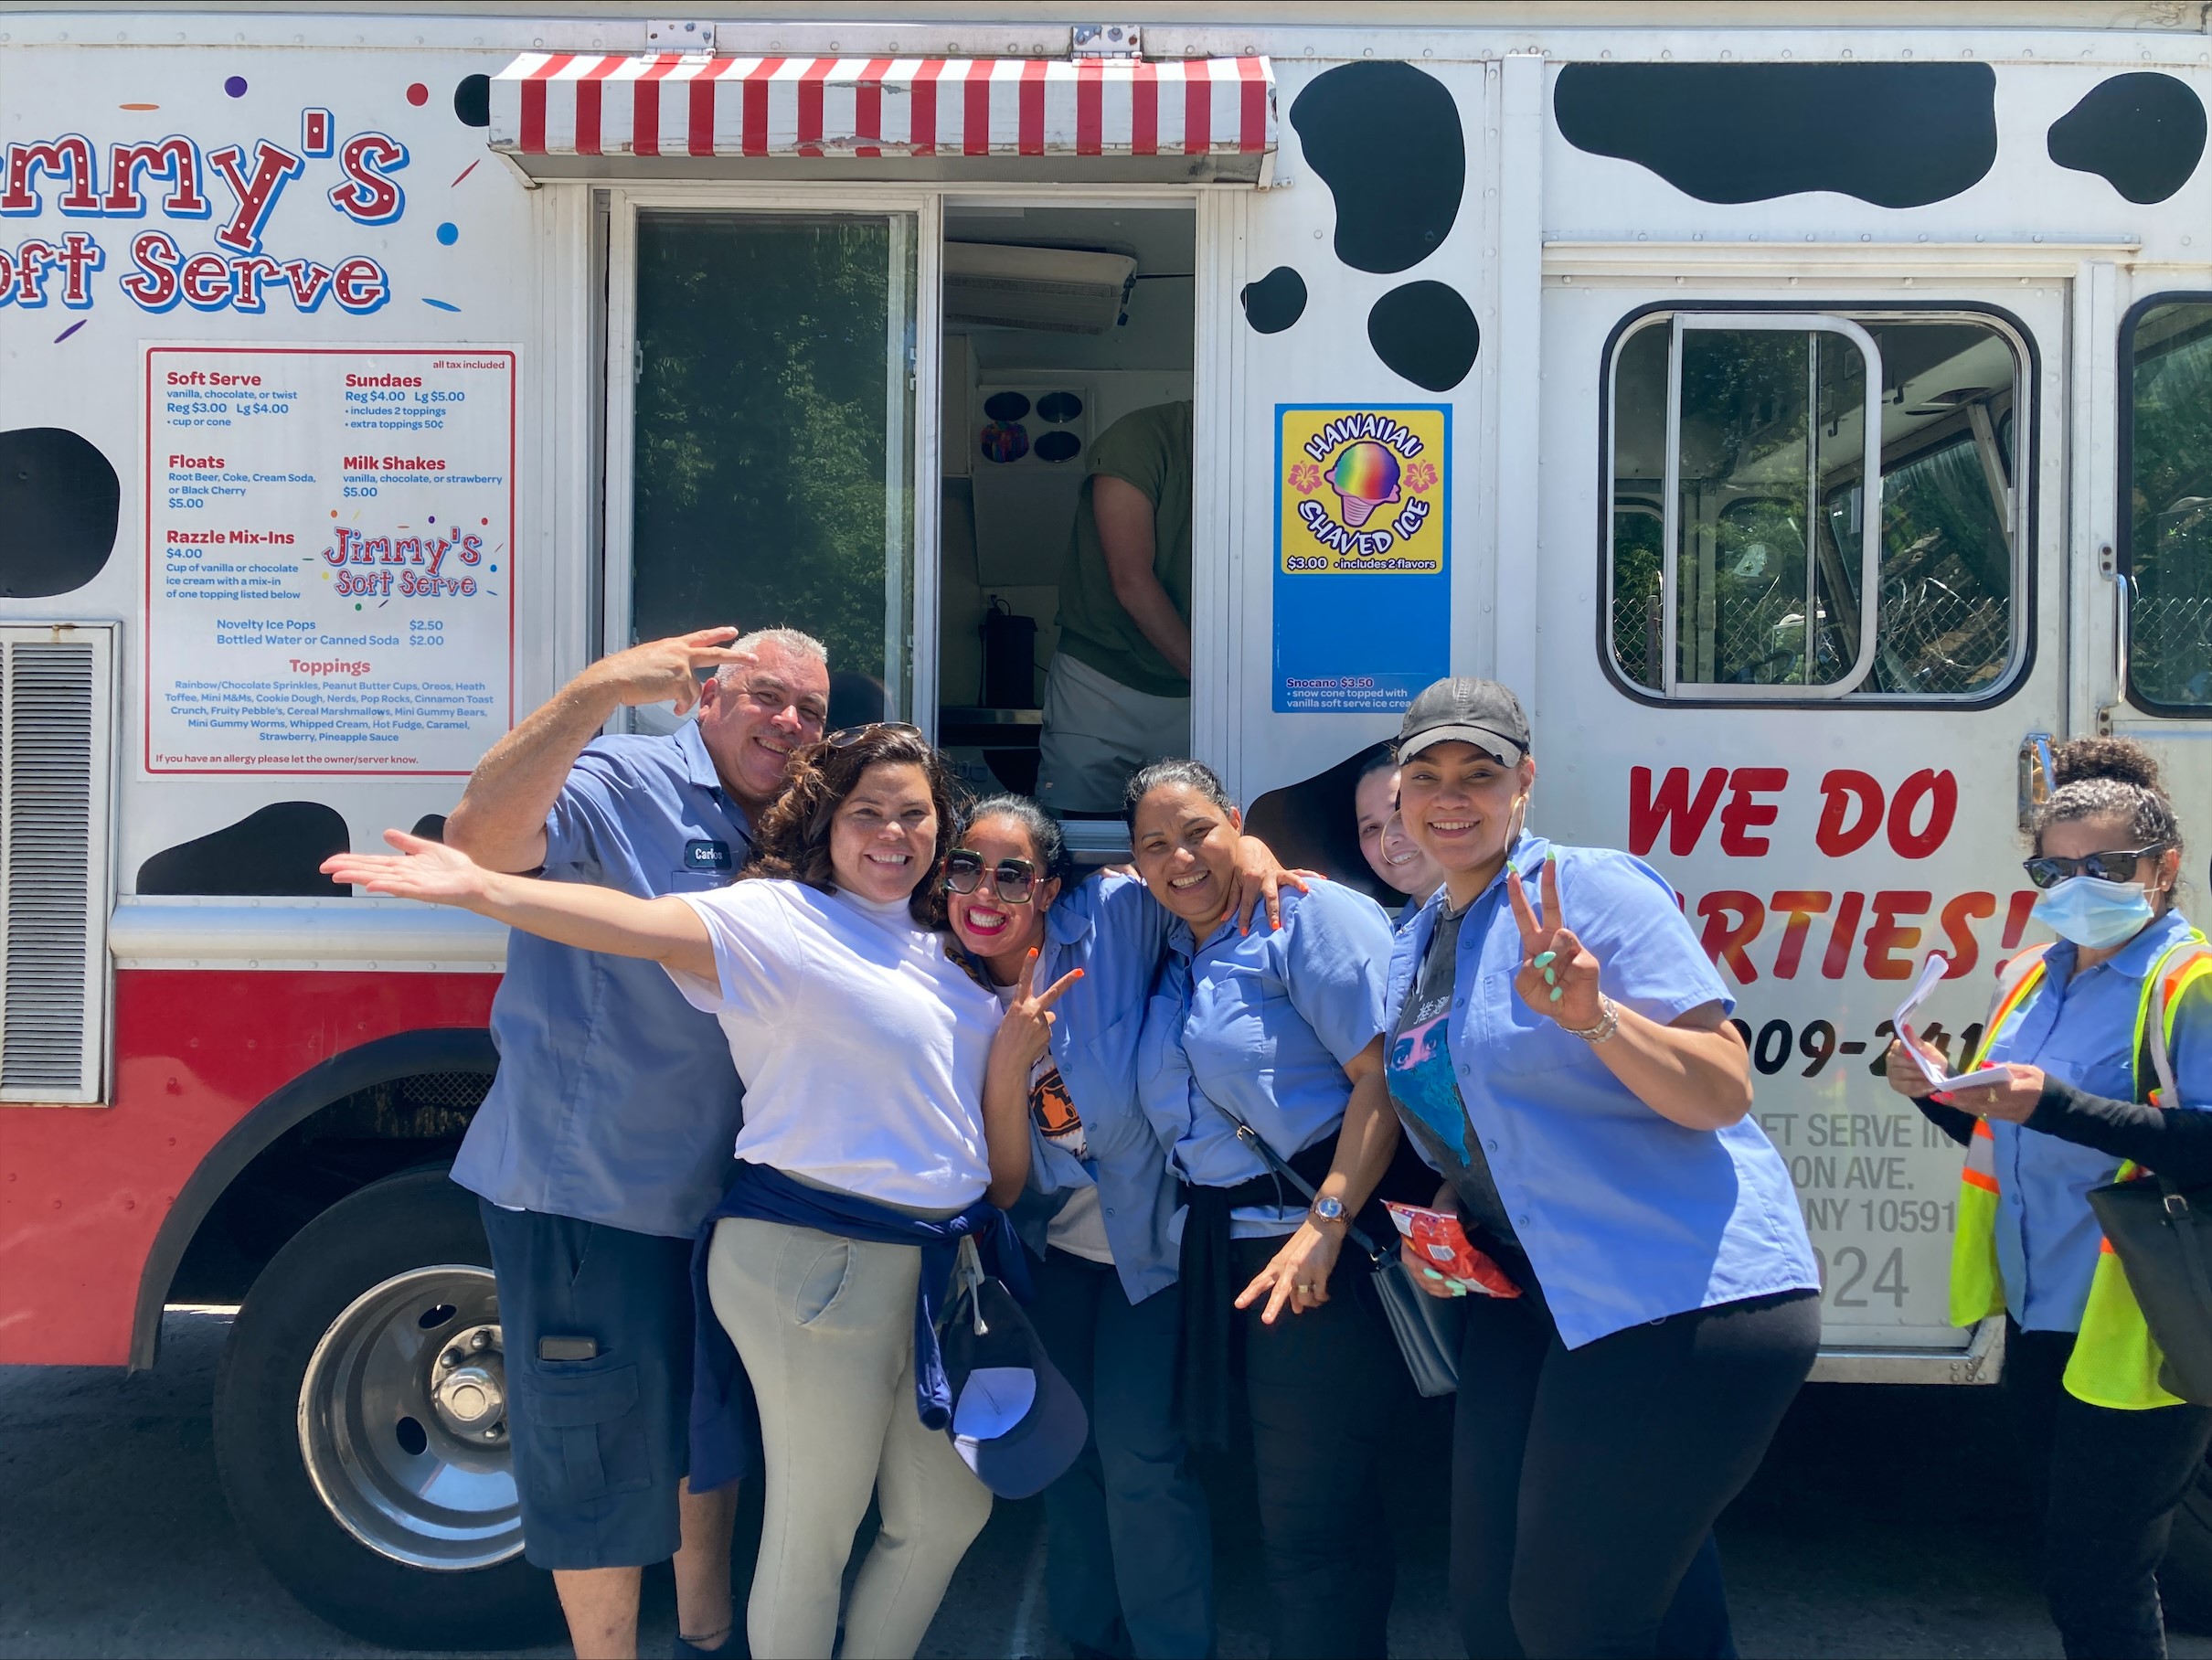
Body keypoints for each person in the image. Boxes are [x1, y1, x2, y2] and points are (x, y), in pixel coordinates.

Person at [331, 725, 1055, 1660]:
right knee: (814, 1528)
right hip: (814, 1264)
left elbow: (989, 1160)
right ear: (825, 822)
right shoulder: (773, 916)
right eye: (865, 811)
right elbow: (629, 922)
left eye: (912, 813)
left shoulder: (935, 946)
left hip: (940, 1268)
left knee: (949, 1509)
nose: (890, 832)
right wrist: (483, 887)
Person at [1270, 678, 1822, 1659]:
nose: (1449, 798)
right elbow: (1471, 1109)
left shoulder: (1593, 890)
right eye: (1425, 777)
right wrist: (1451, 1197)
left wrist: (1596, 1019)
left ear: (1523, 782)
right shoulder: (1412, 944)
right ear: (1397, 796)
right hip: (1530, 1298)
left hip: (1672, 1295)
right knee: (1495, 1613)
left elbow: (1721, 1088)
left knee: (1571, 1624)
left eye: (1477, 776)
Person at [440, 623, 829, 1660]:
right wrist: (594, 692)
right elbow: (478, 845)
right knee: (598, 1455)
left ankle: (703, 1635)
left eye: (810, 709)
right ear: (706, 698)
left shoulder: (792, 822)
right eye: (765, 696)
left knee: (708, 1435)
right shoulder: (622, 774)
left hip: (729, 1197)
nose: (788, 722)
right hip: (589, 1192)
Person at [943, 794, 1303, 1660]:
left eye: (1013, 873)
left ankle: (1173, 1646)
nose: (985, 891)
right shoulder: (936, 984)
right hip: (1044, 1252)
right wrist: (1007, 1069)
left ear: (1050, 888)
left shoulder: (1109, 916)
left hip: (1154, 1245)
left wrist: (1251, 845)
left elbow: (1192, 869)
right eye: (965, 868)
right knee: (1070, 1456)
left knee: (1142, 1454)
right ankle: (1086, 1638)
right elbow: (1004, 1187)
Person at [1886, 737, 2212, 1660]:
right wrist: (1943, 1091)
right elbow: (2013, 1133)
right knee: (2082, 1565)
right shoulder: (2028, 975)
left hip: (2144, 1318)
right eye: (2053, 867)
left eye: (2102, 865)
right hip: (2041, 1316)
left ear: (2162, 868)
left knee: (2095, 1570)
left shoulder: (2186, 981)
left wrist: (2050, 1100)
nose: (2075, 884)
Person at [1124, 759, 1406, 1660]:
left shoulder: (1304, 914)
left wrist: (1322, 1227)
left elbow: (1385, 1078)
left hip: (1314, 1249)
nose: (1179, 857)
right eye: (1153, 843)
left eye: (1198, 831)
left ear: (1234, 822)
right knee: (1291, 1504)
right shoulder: (1175, 948)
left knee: (1308, 1522)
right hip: (1227, 1251)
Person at [1037, 400, 1194, 814]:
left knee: (1194, 850)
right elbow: (1132, 581)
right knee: (1076, 842)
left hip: (1202, 694)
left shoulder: (1282, 445)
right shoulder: (1141, 438)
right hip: (1100, 687)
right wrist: (1222, 687)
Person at [1353, 742, 1444, 920]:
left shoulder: (1510, 913)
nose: (1388, 839)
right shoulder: (1391, 937)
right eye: (1371, 828)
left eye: (1401, 815)